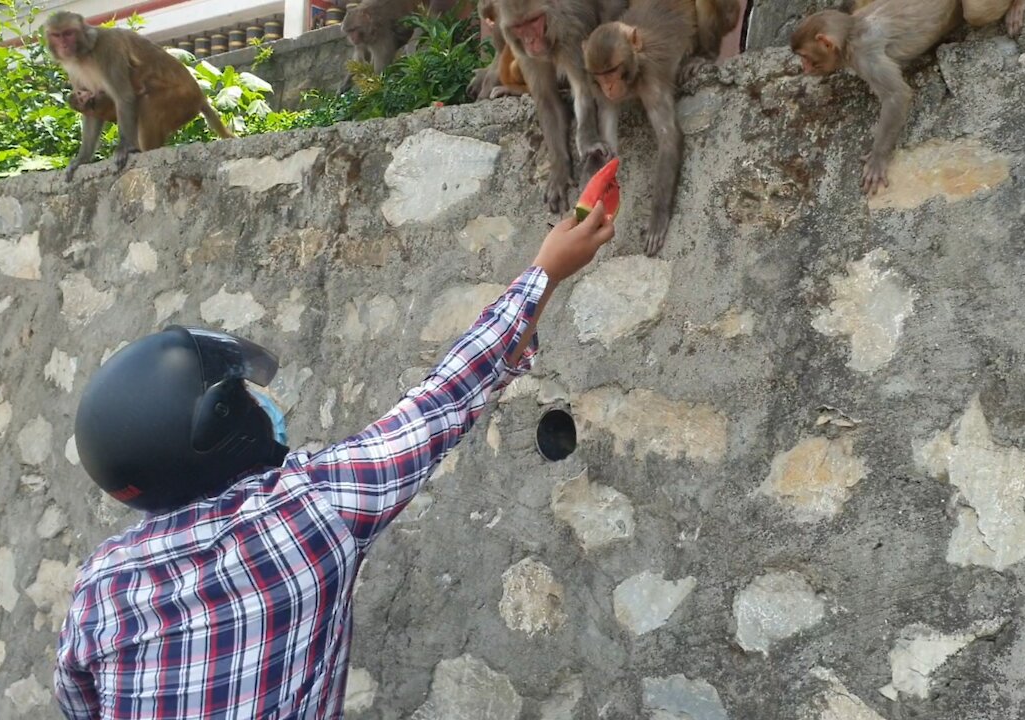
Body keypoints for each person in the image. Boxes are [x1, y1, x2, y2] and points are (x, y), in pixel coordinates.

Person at [53, 204, 616, 719]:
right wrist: (547, 269)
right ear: (220, 427)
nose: (262, 404)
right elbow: (444, 399)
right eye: (245, 398)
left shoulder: (101, 581)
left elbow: (77, 702)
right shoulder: (303, 514)